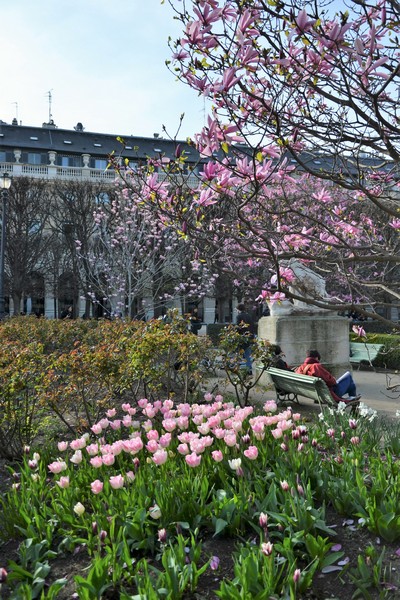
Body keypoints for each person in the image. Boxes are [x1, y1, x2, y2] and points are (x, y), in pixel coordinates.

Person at [295, 349, 361, 403]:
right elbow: (332, 382)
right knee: (348, 377)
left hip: (316, 393)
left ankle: (353, 398)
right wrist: (333, 379)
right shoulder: (315, 366)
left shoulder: (301, 367)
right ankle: (353, 401)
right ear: (316, 358)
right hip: (328, 394)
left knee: (350, 383)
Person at [236, 303, 256, 375]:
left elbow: (238, 327)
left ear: (238, 309)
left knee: (238, 353)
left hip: (242, 338)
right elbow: (252, 326)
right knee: (248, 354)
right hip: (250, 337)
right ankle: (249, 369)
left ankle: (237, 368)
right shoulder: (248, 316)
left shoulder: (239, 316)